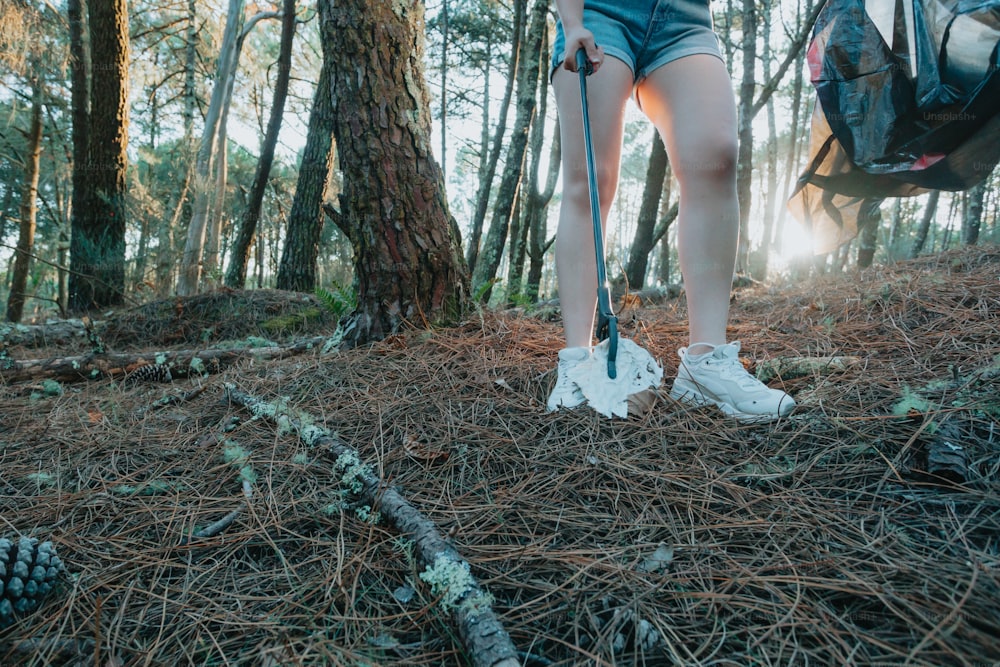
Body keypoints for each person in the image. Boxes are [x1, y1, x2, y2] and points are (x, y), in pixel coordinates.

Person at [546, 0, 796, 422]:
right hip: (600, 12)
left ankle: (705, 367)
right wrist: (572, 22)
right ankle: (576, 362)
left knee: (715, 157)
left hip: (685, 20)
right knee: (588, 178)